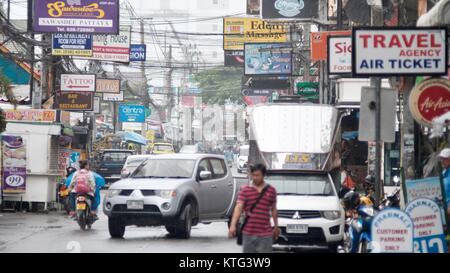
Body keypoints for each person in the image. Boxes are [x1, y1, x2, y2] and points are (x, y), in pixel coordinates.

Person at [228, 164, 279, 253]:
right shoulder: (246, 190)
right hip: (248, 233)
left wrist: (276, 226)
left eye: (257, 175)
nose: (255, 177)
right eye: (253, 175)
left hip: (265, 234)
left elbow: (273, 209)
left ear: (263, 175)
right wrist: (233, 225)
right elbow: (239, 207)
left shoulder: (271, 190)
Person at [438, 148, 450, 219]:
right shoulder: (443, 173)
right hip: (443, 210)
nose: (442, 161)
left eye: (444, 159)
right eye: (441, 159)